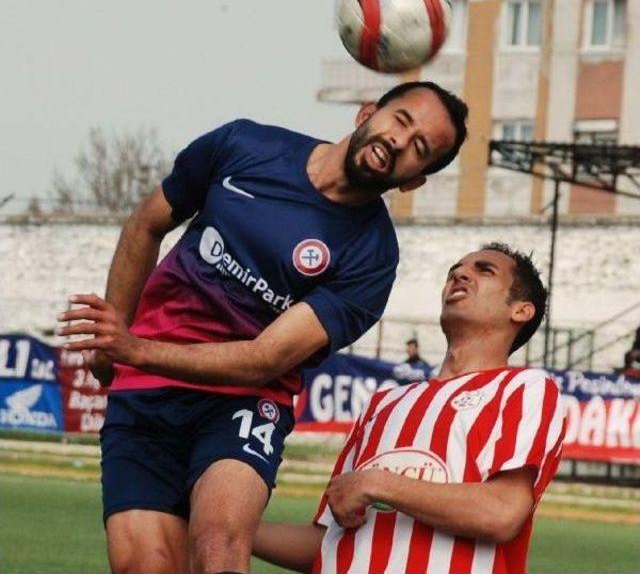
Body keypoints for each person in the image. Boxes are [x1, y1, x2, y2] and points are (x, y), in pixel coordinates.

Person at [57, 81, 468, 574]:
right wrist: (113, 335)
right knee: (143, 566)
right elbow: (146, 223)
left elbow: (265, 359)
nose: (401, 142)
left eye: (420, 148)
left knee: (219, 545)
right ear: (366, 114)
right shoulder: (243, 145)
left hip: (244, 400)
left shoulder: (373, 258)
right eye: (401, 120)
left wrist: (133, 348)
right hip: (146, 391)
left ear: (414, 181)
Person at [252, 243, 566, 574]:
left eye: (484, 270)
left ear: (520, 311)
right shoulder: (384, 404)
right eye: (454, 271)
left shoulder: (524, 388)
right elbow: (328, 540)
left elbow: (501, 513)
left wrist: (380, 483)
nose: (459, 274)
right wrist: (223, 525)